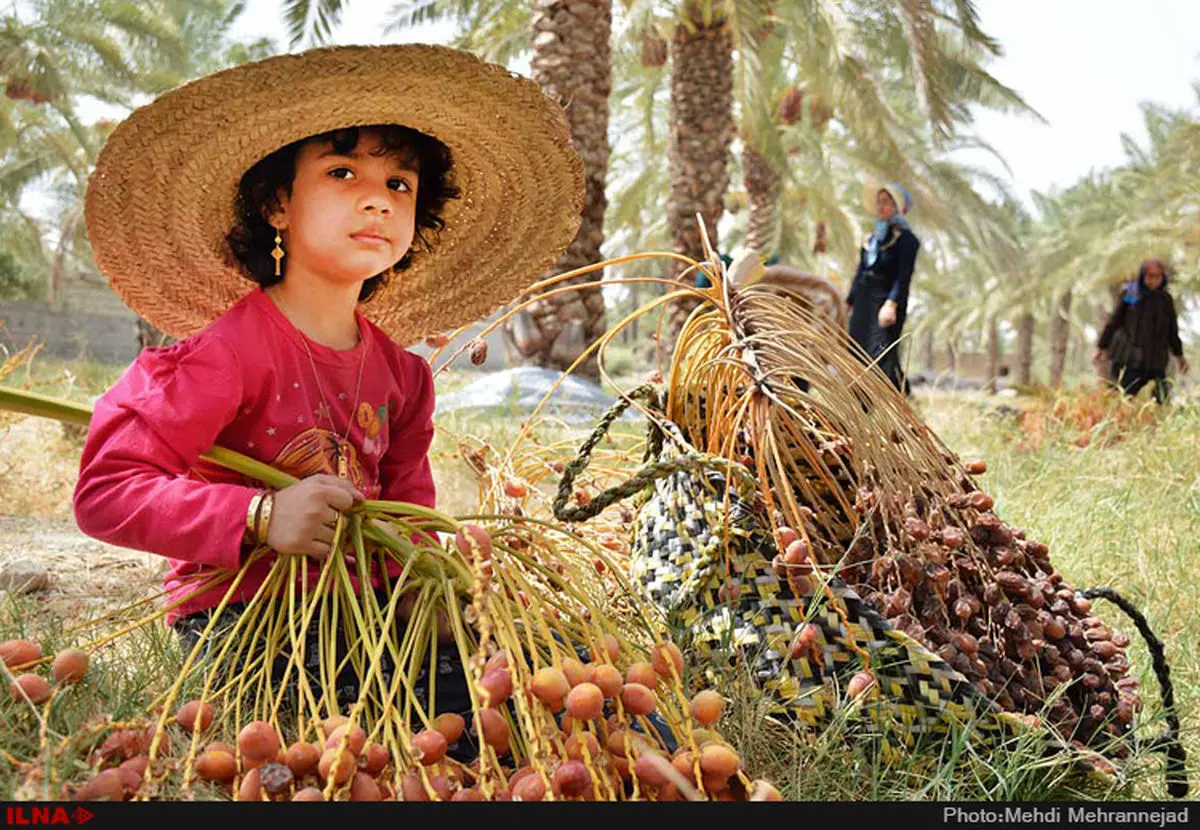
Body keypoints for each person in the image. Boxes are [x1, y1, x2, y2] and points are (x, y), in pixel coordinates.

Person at [71, 44, 585, 723]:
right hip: (245, 621)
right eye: (342, 172)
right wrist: (259, 517)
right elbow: (105, 492)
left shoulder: (403, 377)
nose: (377, 198)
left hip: (366, 617)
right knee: (365, 733)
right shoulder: (225, 355)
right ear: (277, 205)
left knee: (525, 695)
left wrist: (430, 585)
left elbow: (407, 519)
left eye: (399, 185)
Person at [846, 182, 920, 394]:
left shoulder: (907, 240)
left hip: (885, 302)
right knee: (856, 351)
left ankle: (901, 400)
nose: (881, 207)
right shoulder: (871, 240)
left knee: (882, 353)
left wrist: (891, 303)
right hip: (864, 301)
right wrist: (849, 302)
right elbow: (860, 272)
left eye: (886, 202)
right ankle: (859, 404)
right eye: (879, 202)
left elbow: (903, 276)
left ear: (897, 207)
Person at [1094, 258, 1189, 404]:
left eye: (1157, 277)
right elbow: (1114, 322)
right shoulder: (1131, 294)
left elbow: (1172, 331)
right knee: (1123, 398)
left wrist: (1179, 356)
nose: (1153, 281)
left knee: (1160, 399)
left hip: (1156, 361)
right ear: (1142, 276)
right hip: (1130, 359)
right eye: (1150, 276)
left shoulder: (1165, 300)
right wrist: (1101, 347)